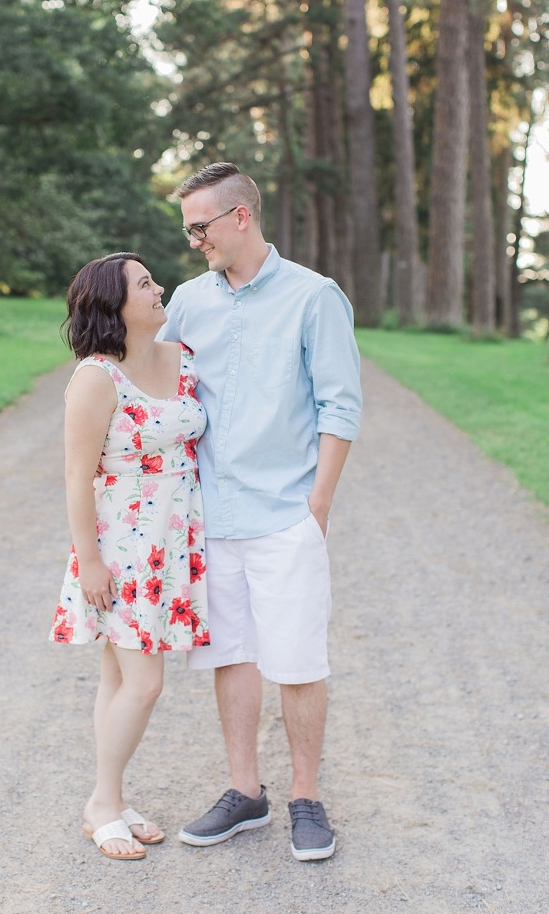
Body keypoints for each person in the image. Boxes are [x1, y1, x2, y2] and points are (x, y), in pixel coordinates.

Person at [160, 162, 362, 862]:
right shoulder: (188, 300)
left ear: (240, 216)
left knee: (298, 661)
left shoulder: (315, 296)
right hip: (212, 514)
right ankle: (245, 791)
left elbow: (340, 405)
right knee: (231, 654)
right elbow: (157, 382)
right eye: (189, 230)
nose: (195, 241)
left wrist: (318, 505)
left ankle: (306, 795)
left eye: (201, 227)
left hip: (285, 514)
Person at [51, 252, 209, 862]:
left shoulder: (182, 358)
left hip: (173, 544)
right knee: (144, 684)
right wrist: (90, 561)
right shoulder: (96, 378)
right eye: (144, 284)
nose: (158, 287)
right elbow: (76, 475)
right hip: (122, 549)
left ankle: (112, 800)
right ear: (113, 306)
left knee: (118, 678)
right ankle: (101, 803)